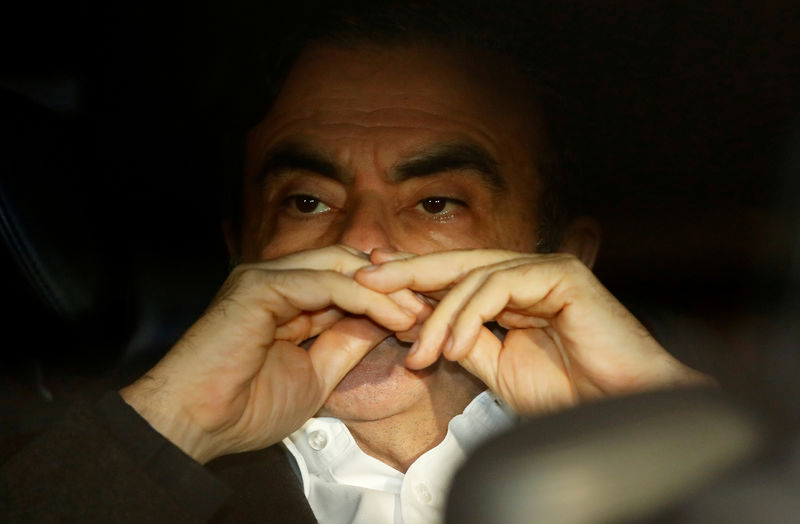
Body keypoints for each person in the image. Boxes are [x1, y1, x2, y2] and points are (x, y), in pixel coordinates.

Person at [1, 3, 714, 523]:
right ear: (241, 255)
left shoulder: (673, 472)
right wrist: (173, 427)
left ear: (564, 260)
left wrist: (672, 436)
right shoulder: (72, 471)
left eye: (437, 204)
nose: (367, 249)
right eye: (308, 202)